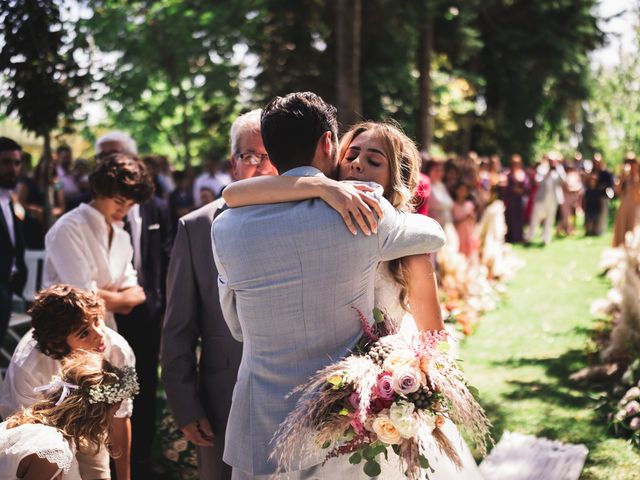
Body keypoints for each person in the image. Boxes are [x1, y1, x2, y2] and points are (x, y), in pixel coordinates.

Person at [223, 120, 482, 479]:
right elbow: (233, 195)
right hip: (311, 405)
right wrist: (321, 187)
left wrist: (403, 386)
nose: (358, 164)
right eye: (352, 154)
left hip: (376, 407)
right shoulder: (316, 218)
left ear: (395, 177)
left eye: (374, 160)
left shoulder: (406, 243)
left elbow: (432, 338)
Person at [161, 109, 278, 480]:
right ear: (234, 163)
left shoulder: (310, 218)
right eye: (250, 156)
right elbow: (177, 327)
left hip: (294, 396)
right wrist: (185, 405)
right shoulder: (196, 228)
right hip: (220, 400)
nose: (260, 166)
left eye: (270, 154)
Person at [93, 133, 173, 479]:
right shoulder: (90, 208)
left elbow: (167, 257)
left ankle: (140, 459)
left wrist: (163, 306)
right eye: (103, 157)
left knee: (141, 390)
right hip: (103, 319)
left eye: (115, 156)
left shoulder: (156, 205)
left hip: (147, 313)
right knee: (103, 388)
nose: (108, 162)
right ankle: (105, 461)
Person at [0, 285, 137, 480]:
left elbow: (119, 417)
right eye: (84, 333)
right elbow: (36, 441)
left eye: (97, 320)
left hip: (91, 424)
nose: (99, 334)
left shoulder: (117, 351)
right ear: (57, 343)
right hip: (37, 431)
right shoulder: (28, 368)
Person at [43, 153, 152, 330]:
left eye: (131, 205)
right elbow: (81, 297)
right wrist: (121, 298)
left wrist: (102, 296)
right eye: (119, 201)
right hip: (64, 334)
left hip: (105, 333)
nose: (123, 210)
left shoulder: (121, 236)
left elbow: (136, 295)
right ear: (101, 190)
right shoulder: (68, 228)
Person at [0, 351, 139, 480]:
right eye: (113, 413)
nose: (112, 420)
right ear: (95, 414)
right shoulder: (51, 451)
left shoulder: (36, 423)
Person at [0, 137, 27, 347]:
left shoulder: (9, 199)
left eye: (17, 163)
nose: (13, 168)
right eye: (6, 162)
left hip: (7, 289)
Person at [525, 153, 566, 245]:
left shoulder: (559, 169)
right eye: (550, 160)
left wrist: (557, 169)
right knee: (535, 218)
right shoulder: (542, 169)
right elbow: (537, 181)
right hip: (541, 198)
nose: (552, 162)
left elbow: (563, 180)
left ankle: (546, 239)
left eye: (553, 161)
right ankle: (529, 237)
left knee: (550, 220)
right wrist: (548, 172)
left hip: (553, 199)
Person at [612, 154, 640, 246]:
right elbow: (617, 192)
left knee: (634, 229)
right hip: (624, 206)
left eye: (632, 162)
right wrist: (622, 178)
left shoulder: (638, 178)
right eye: (628, 162)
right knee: (622, 229)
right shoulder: (623, 178)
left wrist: (635, 183)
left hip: (635, 207)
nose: (630, 165)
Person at [503, 154, 530, 243]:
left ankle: (519, 236)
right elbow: (506, 187)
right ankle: (511, 237)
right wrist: (513, 189)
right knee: (510, 218)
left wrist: (521, 190)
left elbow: (527, 186)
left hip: (520, 200)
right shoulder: (508, 174)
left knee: (520, 219)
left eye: (517, 163)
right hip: (511, 200)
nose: (516, 164)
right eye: (514, 163)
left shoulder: (523, 174)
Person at [452, 182, 479, 259]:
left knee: (470, 254)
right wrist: (464, 218)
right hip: (458, 234)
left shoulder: (470, 205)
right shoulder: (454, 205)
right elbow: (454, 223)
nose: (462, 192)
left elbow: (473, 222)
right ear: (456, 191)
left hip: (468, 234)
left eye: (464, 191)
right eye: (460, 190)